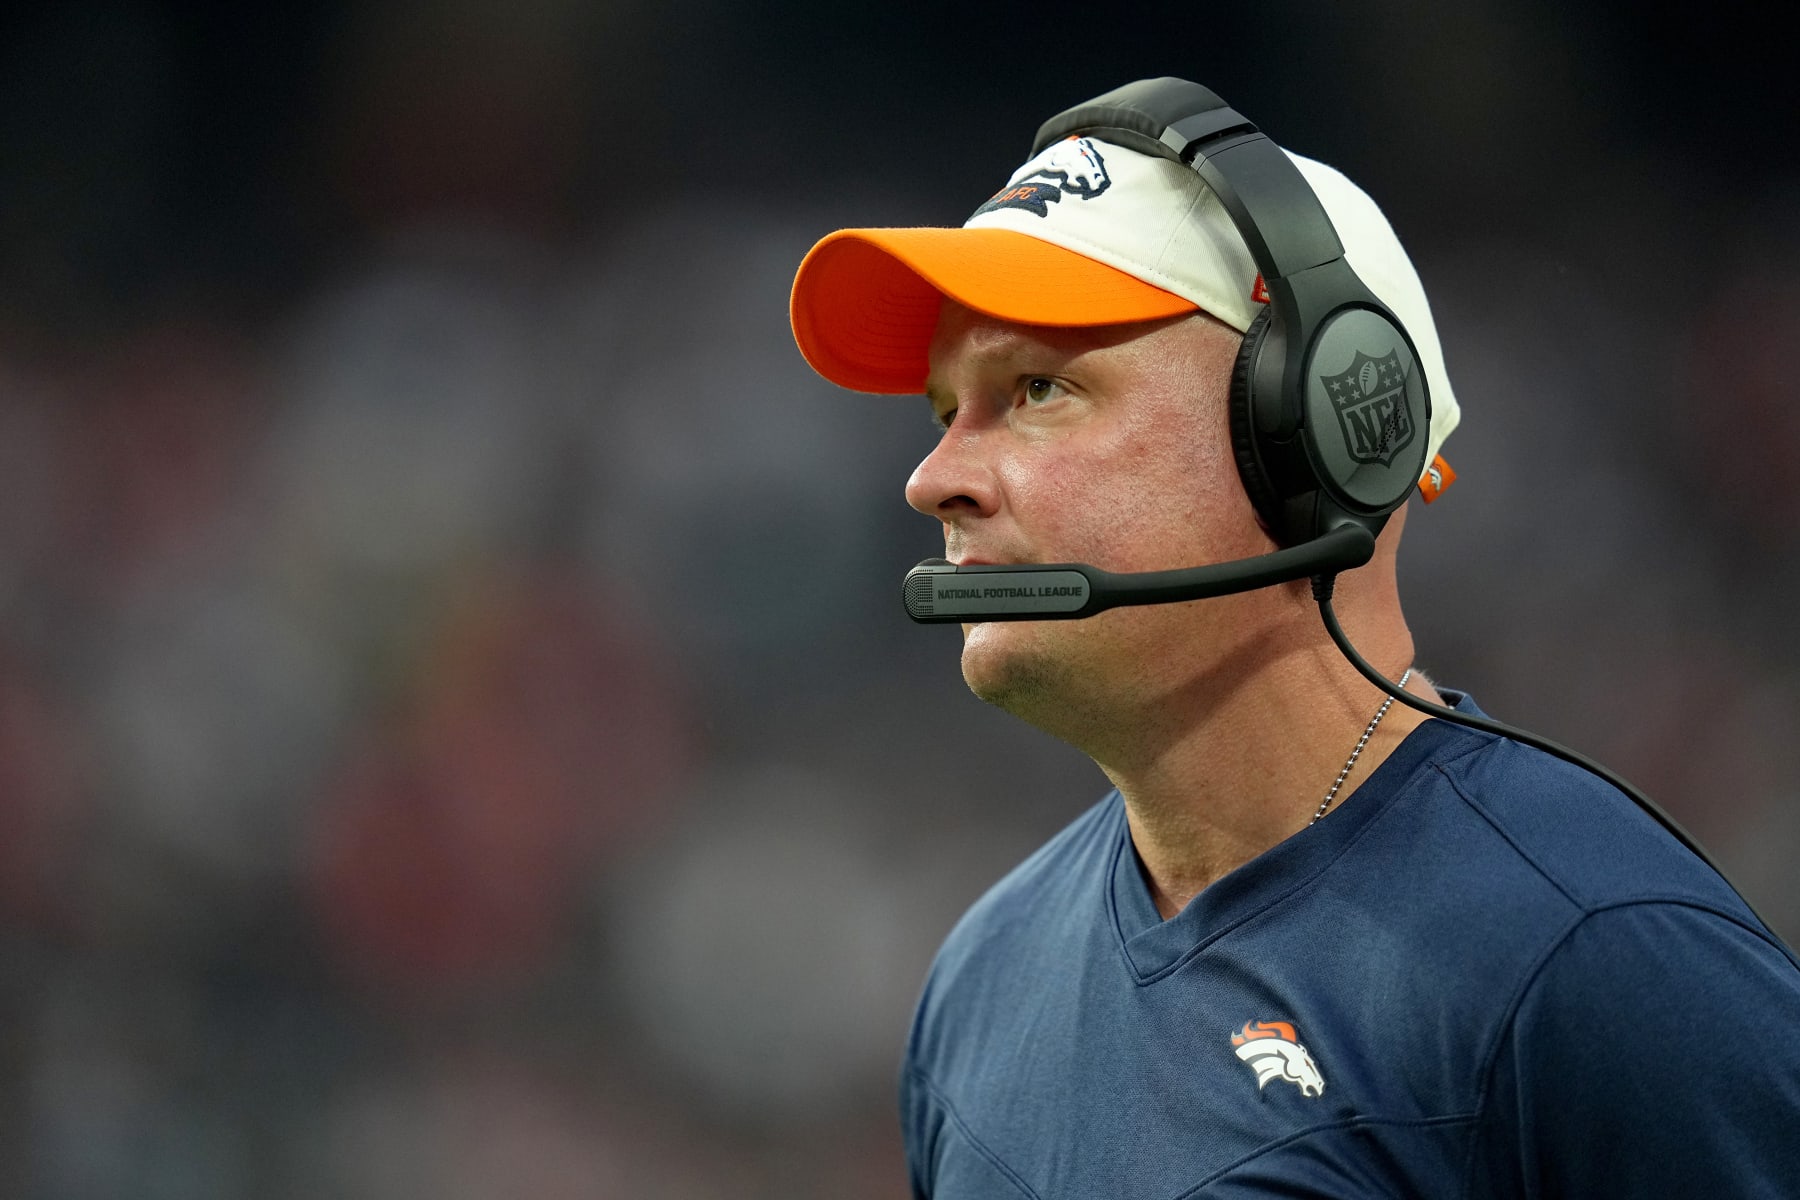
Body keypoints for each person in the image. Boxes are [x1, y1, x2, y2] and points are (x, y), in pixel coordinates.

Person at [788, 77, 1800, 1198]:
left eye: (1036, 389)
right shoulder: (980, 985)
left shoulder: (1599, 965)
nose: (936, 480)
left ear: (1316, 432)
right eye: (945, 412)